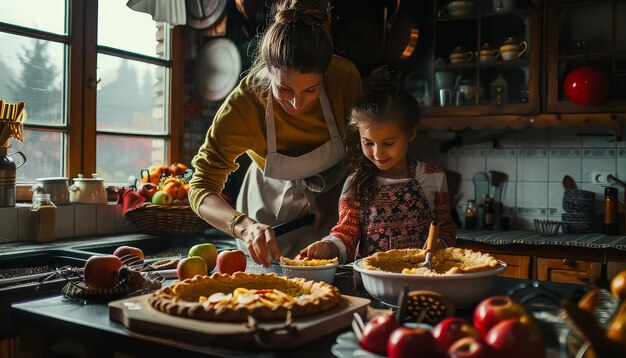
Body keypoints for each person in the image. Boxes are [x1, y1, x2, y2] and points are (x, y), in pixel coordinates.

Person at [188, 0, 363, 267]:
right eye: (284, 90)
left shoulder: (345, 78)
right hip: (265, 208)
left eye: (310, 91)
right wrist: (244, 226)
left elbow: (362, 150)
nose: (296, 104)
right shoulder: (245, 104)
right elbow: (200, 187)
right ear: (267, 73)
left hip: (335, 208)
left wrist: (333, 197)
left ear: (325, 76)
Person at [298, 68, 457, 263]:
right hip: (371, 281)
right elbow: (346, 233)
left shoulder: (433, 175)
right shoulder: (355, 183)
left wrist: (439, 244)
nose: (377, 153)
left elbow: (447, 229)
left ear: (411, 133)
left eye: (388, 143)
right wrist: (328, 246)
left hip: (421, 278)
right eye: (368, 143)